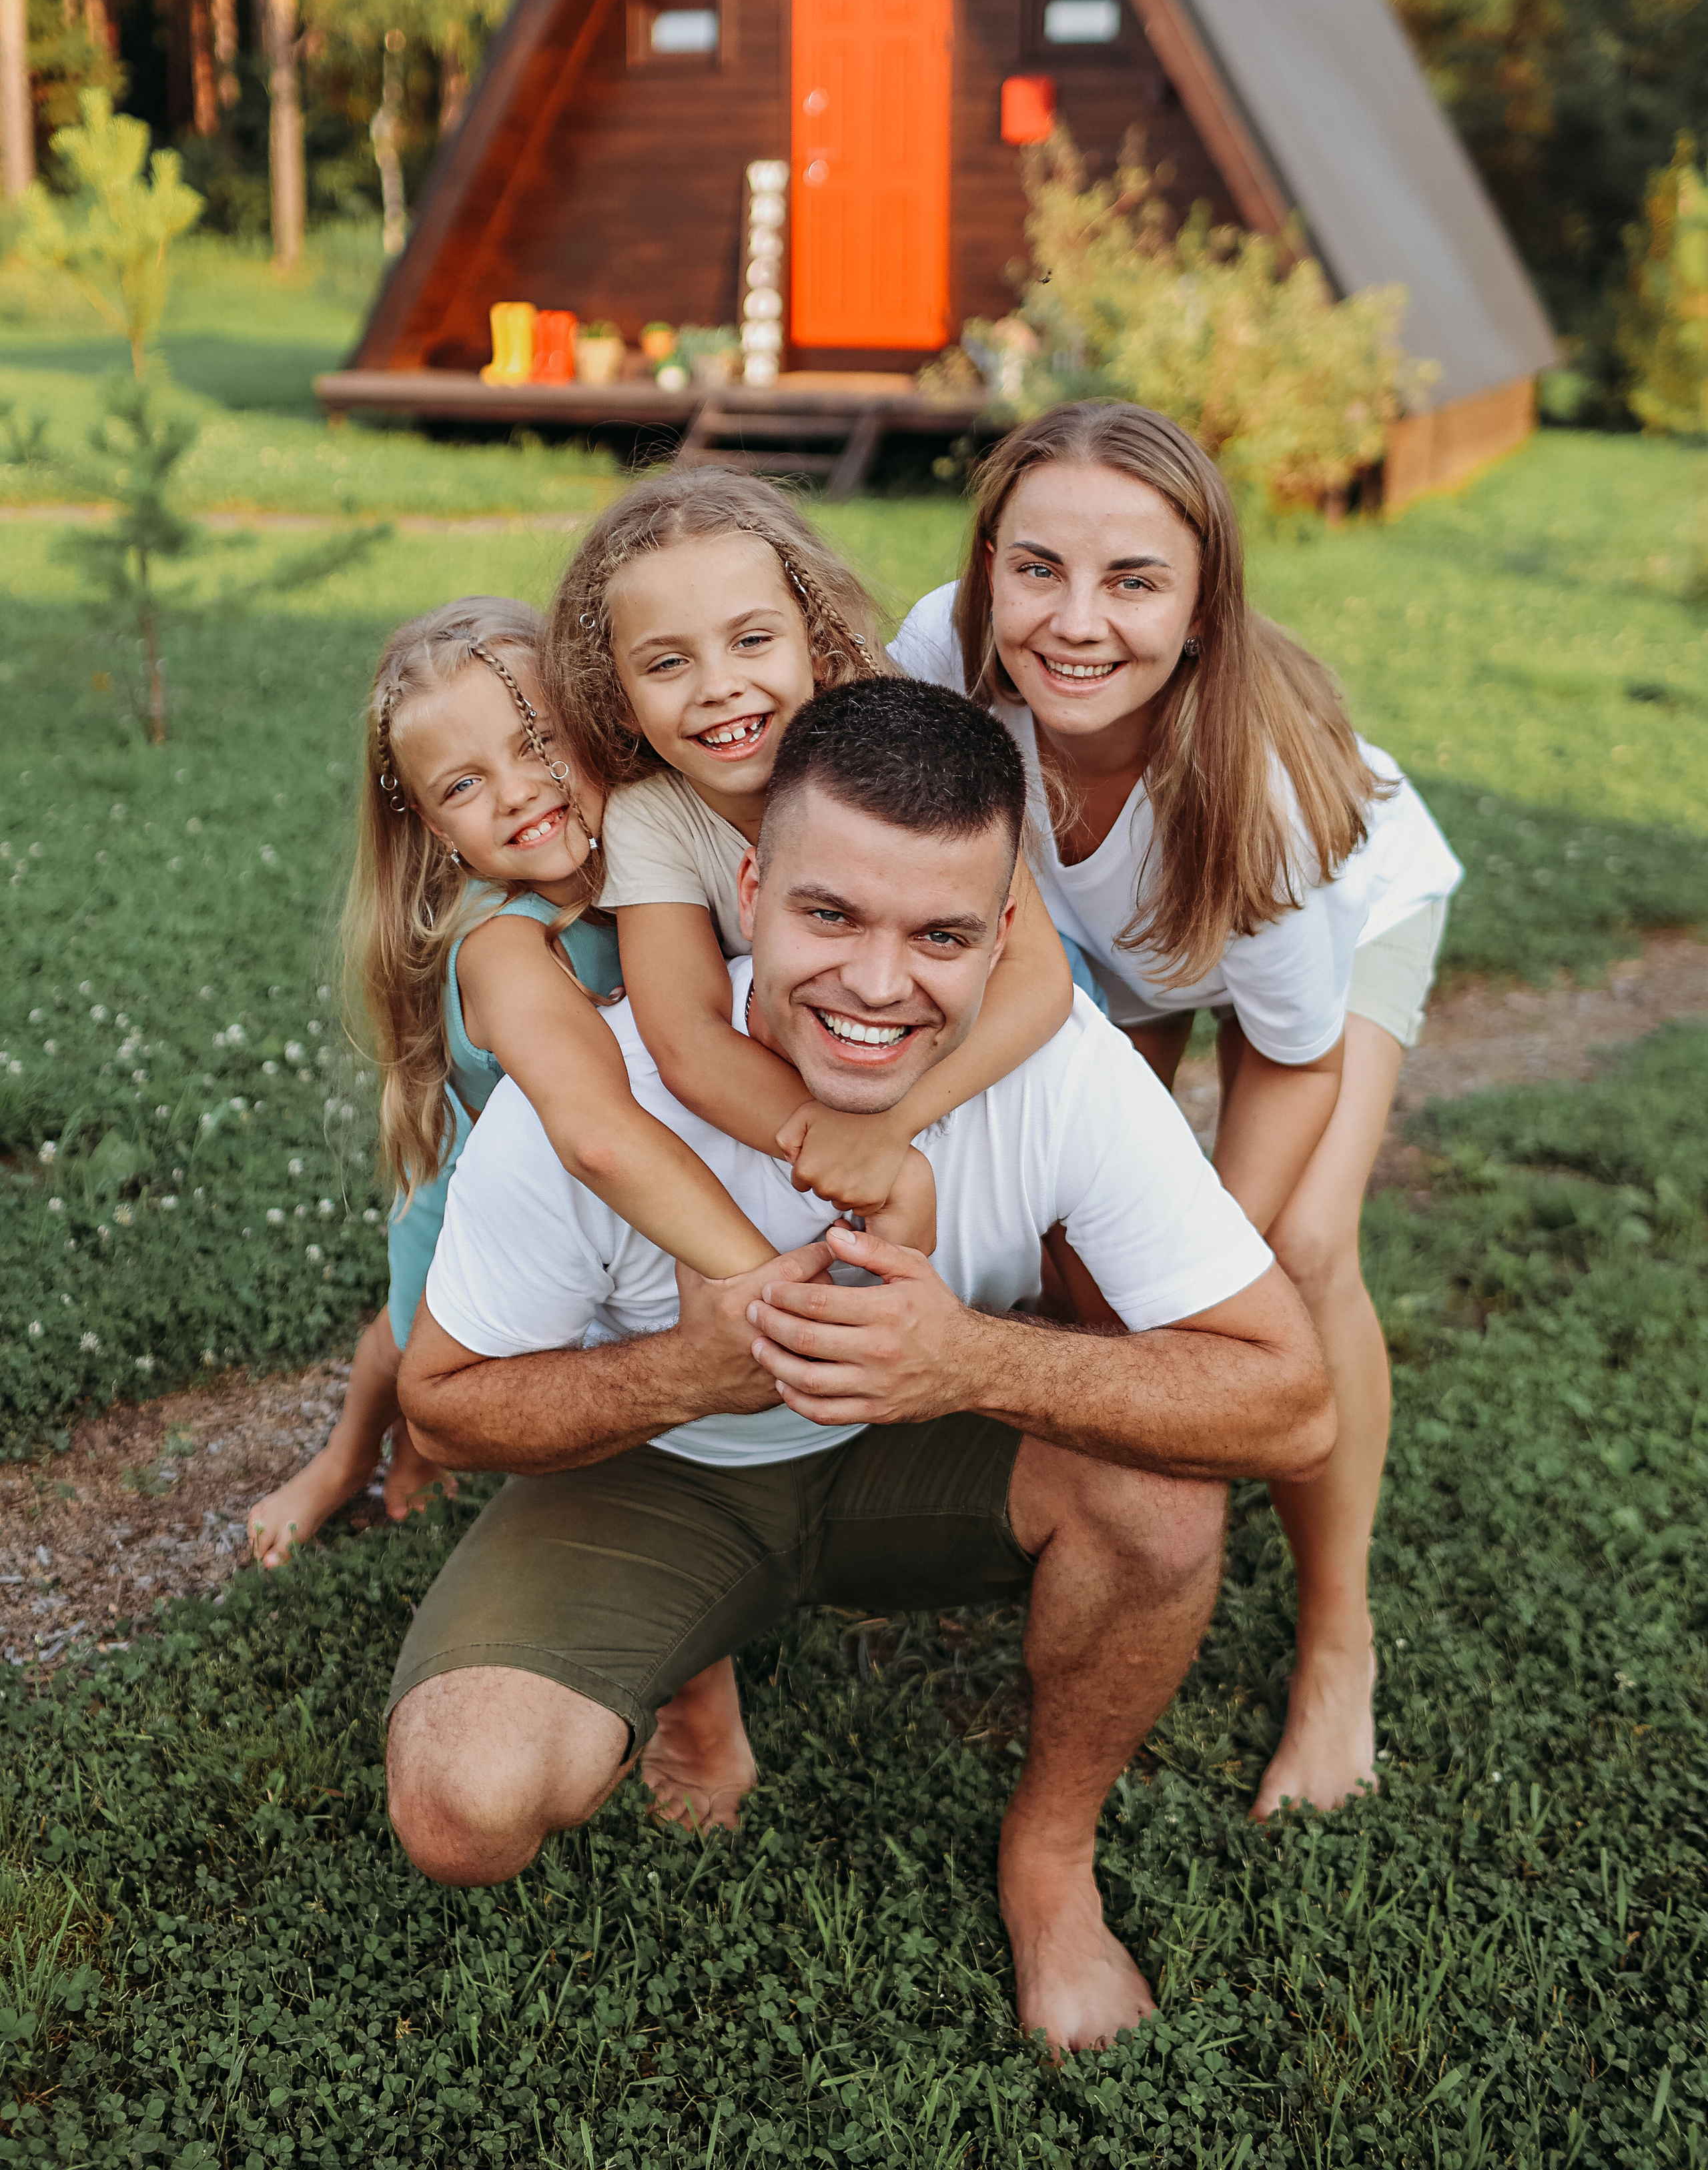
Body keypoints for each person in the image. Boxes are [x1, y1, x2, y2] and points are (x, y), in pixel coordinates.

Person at [384, 679, 1335, 2054]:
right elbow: (441, 1408)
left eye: (940, 935)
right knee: (461, 1806)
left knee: (1161, 1491)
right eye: (829, 916)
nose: (879, 987)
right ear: (752, 890)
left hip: (921, 1446)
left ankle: (1049, 1861)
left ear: (1003, 934)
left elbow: (1290, 1404)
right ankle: (694, 1679)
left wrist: (965, 1360)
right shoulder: (607, 1080)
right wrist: (683, 1376)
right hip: (662, 1470)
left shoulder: (1062, 1071)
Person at [888, 402, 1462, 1820]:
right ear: (986, 566)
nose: (1075, 622)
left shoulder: (1260, 798)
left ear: (1203, 609)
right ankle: (1082, 1514)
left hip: (1328, 922)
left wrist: (1212, 1287)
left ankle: (1336, 1640)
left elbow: (1295, 1056)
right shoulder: (939, 657)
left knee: (1295, 1258)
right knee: (1076, 1231)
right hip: (1116, 943)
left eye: (1133, 581)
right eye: (1037, 568)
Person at [246, 596, 779, 1570]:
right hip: (475, 1183)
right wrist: (760, 1282)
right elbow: (596, 1134)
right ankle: (347, 1458)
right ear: (431, 826)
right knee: (412, 1335)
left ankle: (403, 1450)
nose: (517, 793)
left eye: (538, 742)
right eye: (463, 785)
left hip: (611, 1184)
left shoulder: (659, 854)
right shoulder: (505, 947)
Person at [546, 466, 1072, 1238]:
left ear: (817, 647)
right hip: (816, 1073)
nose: (719, 686)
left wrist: (884, 1134)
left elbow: (1040, 978)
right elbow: (688, 1039)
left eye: (752, 641)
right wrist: (829, 1139)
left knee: (1061, 1210)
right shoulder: (653, 818)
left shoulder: (896, 754)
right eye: (667, 663)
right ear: (619, 700)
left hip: (973, 1046)